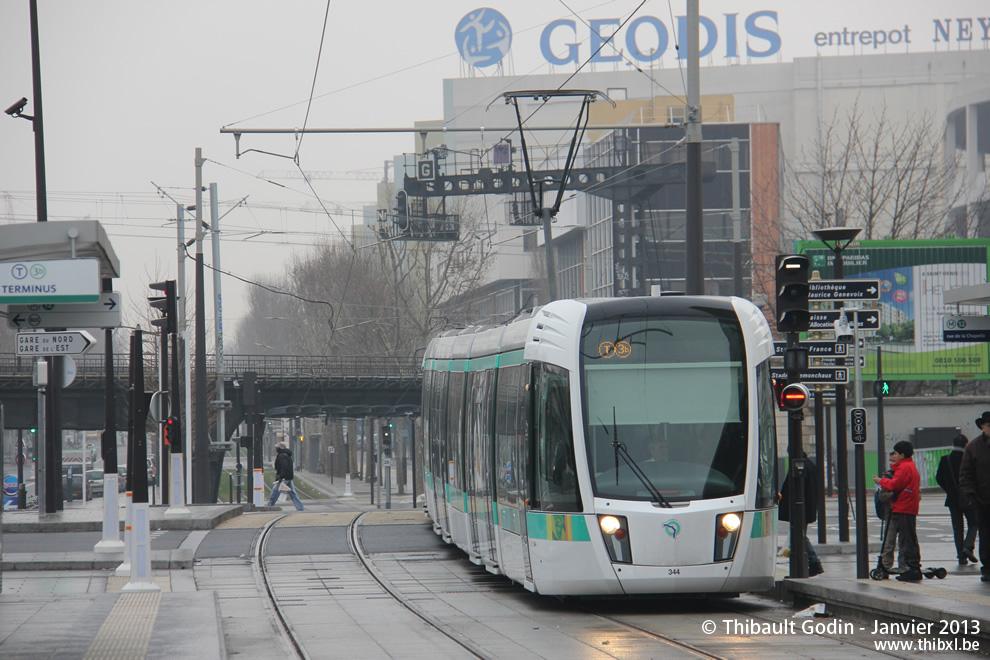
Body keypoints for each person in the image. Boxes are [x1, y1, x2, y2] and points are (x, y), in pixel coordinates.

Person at [874, 440, 922, 582]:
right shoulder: (910, 465)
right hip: (908, 507)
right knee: (908, 538)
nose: (893, 456)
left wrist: (880, 481)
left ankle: (912, 568)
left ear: (901, 455)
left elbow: (895, 485)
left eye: (895, 453)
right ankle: (911, 567)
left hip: (903, 507)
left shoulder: (903, 468)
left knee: (906, 540)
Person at [936, 434, 978, 565]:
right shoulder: (968, 459)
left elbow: (939, 478)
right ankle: (968, 546)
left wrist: (949, 489)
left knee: (957, 527)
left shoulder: (945, 459)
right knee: (974, 523)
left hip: (952, 499)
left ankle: (961, 556)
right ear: (966, 445)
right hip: (968, 497)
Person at [779, 453, 824, 577]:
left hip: (801, 507)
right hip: (808, 506)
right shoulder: (810, 465)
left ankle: (814, 562)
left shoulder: (800, 465)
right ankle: (810, 564)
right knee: (799, 534)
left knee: (799, 534)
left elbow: (792, 487)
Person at [960, 411, 990, 582]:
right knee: (985, 536)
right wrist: (972, 495)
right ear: (982, 427)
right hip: (982, 500)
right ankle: (987, 568)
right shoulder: (974, 447)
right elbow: (966, 474)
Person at [876, 451, 907, 575]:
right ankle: (885, 566)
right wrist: (895, 494)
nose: (891, 463)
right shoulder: (887, 477)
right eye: (890, 461)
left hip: (903, 512)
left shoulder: (905, 474)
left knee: (904, 541)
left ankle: (903, 565)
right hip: (890, 514)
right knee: (889, 542)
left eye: (894, 461)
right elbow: (882, 496)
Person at [267, 441, 304, 511]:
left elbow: (284, 467)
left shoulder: (282, 456)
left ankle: (269, 506)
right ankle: (300, 507)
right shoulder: (286, 455)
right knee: (292, 493)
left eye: (277, 447)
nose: (276, 448)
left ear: (280, 448)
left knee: (275, 492)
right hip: (288, 477)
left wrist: (281, 477)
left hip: (284, 478)